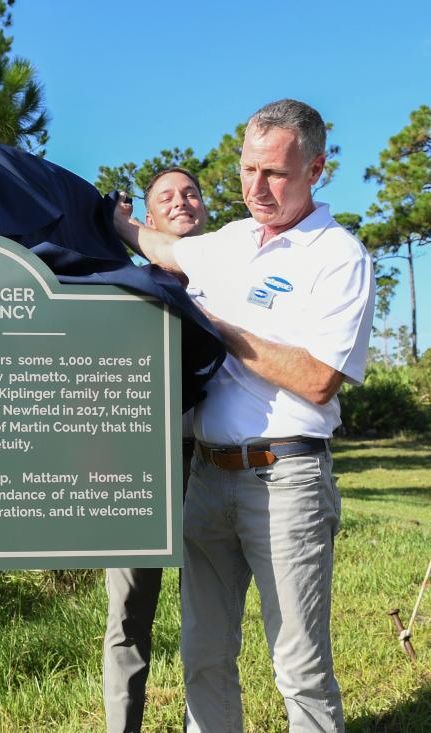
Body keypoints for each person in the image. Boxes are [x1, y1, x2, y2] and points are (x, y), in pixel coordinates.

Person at [113, 99, 374, 732]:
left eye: (276, 174)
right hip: (207, 479)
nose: (257, 188)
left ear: (316, 169)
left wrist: (217, 328)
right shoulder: (229, 242)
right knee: (203, 656)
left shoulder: (339, 258)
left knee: (299, 669)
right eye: (247, 170)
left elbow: (317, 380)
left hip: (283, 482)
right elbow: (162, 251)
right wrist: (114, 222)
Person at [103, 167, 208, 733]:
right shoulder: (126, 281)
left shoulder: (233, 273)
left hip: (213, 466)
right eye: (165, 196)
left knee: (206, 615)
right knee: (128, 614)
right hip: (142, 468)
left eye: (190, 192)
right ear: (146, 218)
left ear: (205, 209)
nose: (181, 201)